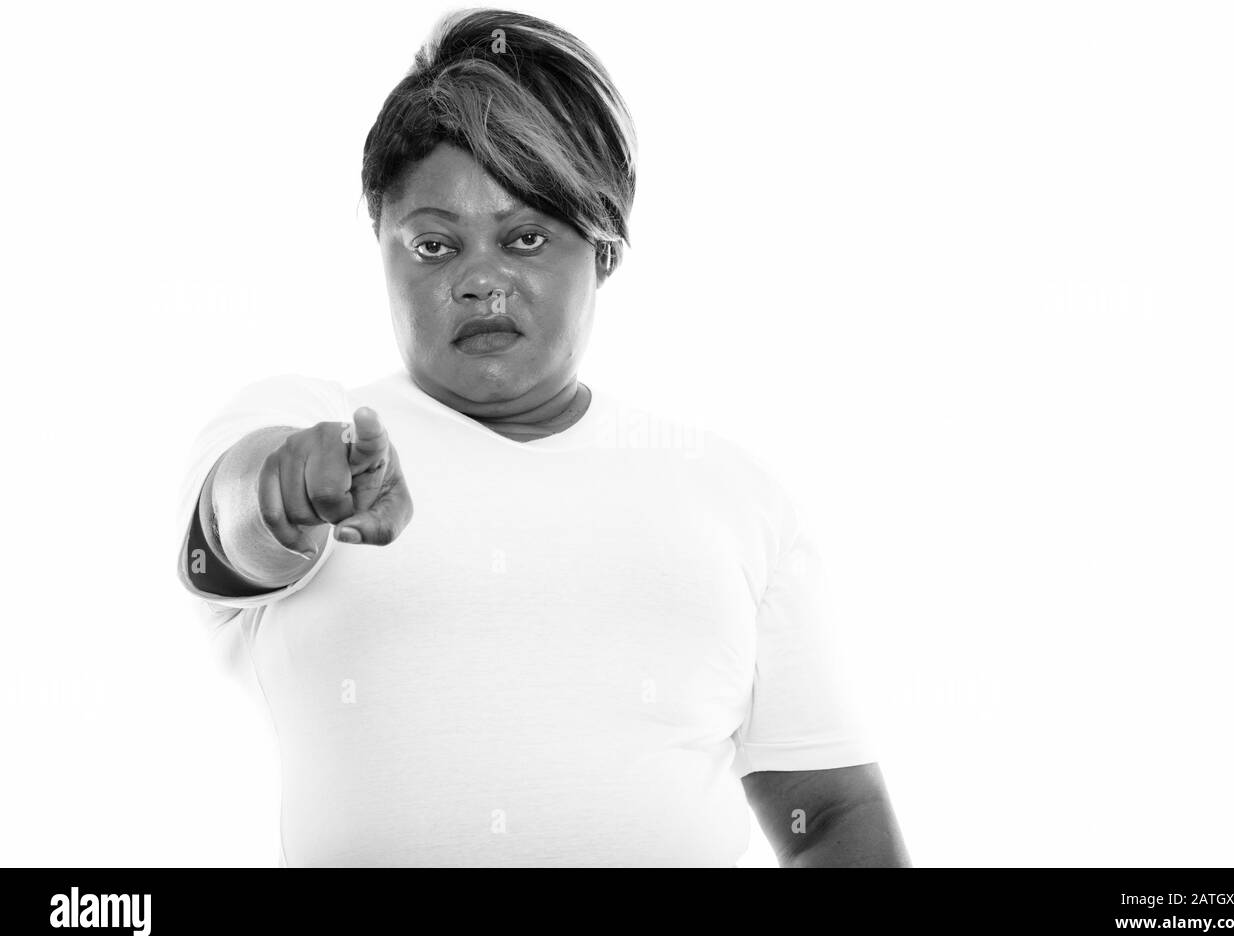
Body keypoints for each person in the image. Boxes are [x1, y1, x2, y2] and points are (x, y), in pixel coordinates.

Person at [175, 7, 910, 867]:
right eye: (434, 245)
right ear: (380, 246)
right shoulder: (306, 419)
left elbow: (829, 815)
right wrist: (291, 486)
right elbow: (230, 532)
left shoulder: (731, 494)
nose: (481, 279)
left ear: (603, 251)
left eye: (525, 238)